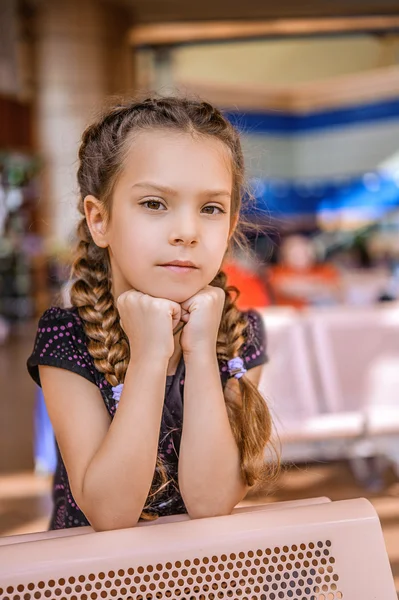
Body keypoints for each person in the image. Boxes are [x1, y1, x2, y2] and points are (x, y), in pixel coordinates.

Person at [27, 96, 275, 532]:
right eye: (154, 204)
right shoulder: (67, 337)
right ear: (99, 219)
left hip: (199, 578)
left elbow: (211, 501)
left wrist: (199, 352)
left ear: (232, 224)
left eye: (211, 208)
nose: (186, 232)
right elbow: (109, 511)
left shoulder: (239, 334)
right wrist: (148, 357)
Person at [267, 234, 342, 309]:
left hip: (323, 315)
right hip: (287, 317)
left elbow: (337, 290)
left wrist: (303, 287)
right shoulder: (276, 272)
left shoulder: (325, 270)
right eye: (295, 252)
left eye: (304, 251)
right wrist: (318, 286)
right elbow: (285, 288)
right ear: (284, 255)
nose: (301, 256)